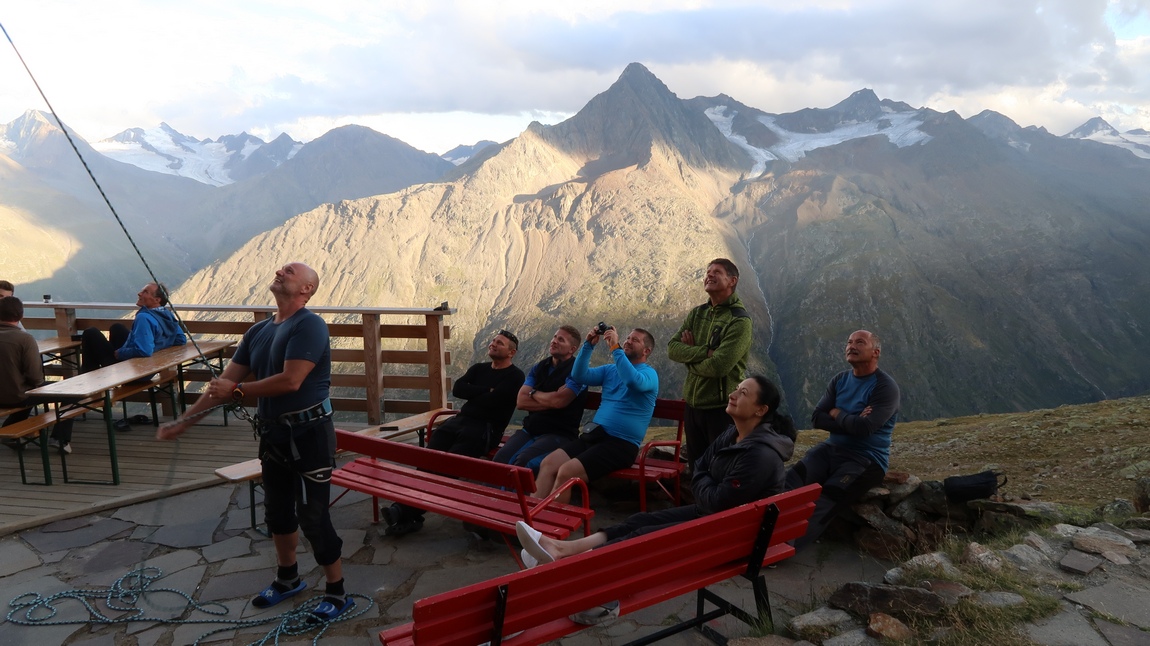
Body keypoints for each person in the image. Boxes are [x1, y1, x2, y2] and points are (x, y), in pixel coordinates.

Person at [156, 262, 354, 622]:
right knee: (277, 511)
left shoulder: (310, 325)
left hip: (309, 434)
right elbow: (223, 385)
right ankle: (288, 578)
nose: (280, 270)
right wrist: (184, 422)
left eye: (290, 271)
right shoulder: (258, 331)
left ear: (307, 289)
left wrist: (238, 390)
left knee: (313, 515)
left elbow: (292, 380)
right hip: (275, 433)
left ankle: (337, 591)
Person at [516, 375, 795, 568]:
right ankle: (561, 549)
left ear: (761, 410)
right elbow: (701, 467)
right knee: (638, 520)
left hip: (732, 536)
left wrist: (704, 480)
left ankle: (566, 565)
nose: (733, 395)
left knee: (643, 536)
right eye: (736, 388)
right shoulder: (733, 434)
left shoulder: (760, 455)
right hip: (715, 518)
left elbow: (716, 498)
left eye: (743, 393)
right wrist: (706, 480)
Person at [382, 329, 525, 536]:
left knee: (447, 467)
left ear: (511, 352)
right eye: (493, 340)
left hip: (484, 429)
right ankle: (407, 512)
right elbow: (458, 389)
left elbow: (495, 400)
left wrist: (474, 392)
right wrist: (486, 390)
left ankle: (403, 510)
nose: (493, 344)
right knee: (428, 460)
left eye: (500, 343)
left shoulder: (515, 376)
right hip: (458, 421)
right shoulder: (479, 368)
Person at [784, 329, 899, 550]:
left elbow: (865, 429)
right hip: (830, 450)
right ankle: (756, 535)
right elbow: (817, 418)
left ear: (875, 352)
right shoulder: (840, 380)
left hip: (865, 460)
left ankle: (782, 547)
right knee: (789, 483)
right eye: (849, 342)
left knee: (825, 500)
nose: (851, 346)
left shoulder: (885, 387)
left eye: (860, 342)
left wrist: (837, 413)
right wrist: (852, 419)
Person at [532, 325, 658, 505]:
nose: (628, 341)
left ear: (646, 351)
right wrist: (588, 345)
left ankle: (550, 520)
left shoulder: (649, 374)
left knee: (567, 472)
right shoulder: (610, 370)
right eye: (628, 338)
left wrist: (615, 347)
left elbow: (632, 381)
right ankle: (530, 515)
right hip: (595, 436)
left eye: (635, 340)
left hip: (621, 444)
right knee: (549, 463)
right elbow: (579, 375)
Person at [667, 258, 752, 467]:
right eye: (708, 272)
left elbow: (719, 366)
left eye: (717, 272)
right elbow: (672, 349)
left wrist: (689, 359)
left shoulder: (739, 321)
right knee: (696, 468)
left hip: (721, 410)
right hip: (693, 406)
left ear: (732, 281)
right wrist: (705, 352)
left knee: (720, 468)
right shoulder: (697, 313)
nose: (709, 275)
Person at [492, 325, 587, 472]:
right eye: (554, 337)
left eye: (561, 340)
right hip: (531, 429)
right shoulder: (540, 367)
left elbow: (559, 401)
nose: (554, 341)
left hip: (559, 434)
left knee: (523, 462)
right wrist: (553, 399)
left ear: (572, 349)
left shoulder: (578, 372)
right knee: (500, 459)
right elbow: (521, 402)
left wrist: (533, 393)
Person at [0, 296, 74, 453]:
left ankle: (9, 430)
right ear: (21, 315)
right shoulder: (24, 339)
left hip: (7, 395)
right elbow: (35, 377)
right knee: (71, 392)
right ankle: (59, 439)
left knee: (26, 390)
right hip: (17, 396)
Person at [80, 282, 186, 372]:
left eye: (145, 292)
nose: (139, 293)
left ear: (157, 300)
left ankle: (90, 379)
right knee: (117, 328)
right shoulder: (167, 314)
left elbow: (144, 350)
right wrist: (159, 345)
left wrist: (120, 353)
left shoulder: (144, 317)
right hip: (146, 365)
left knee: (90, 333)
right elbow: (181, 339)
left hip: (132, 368)